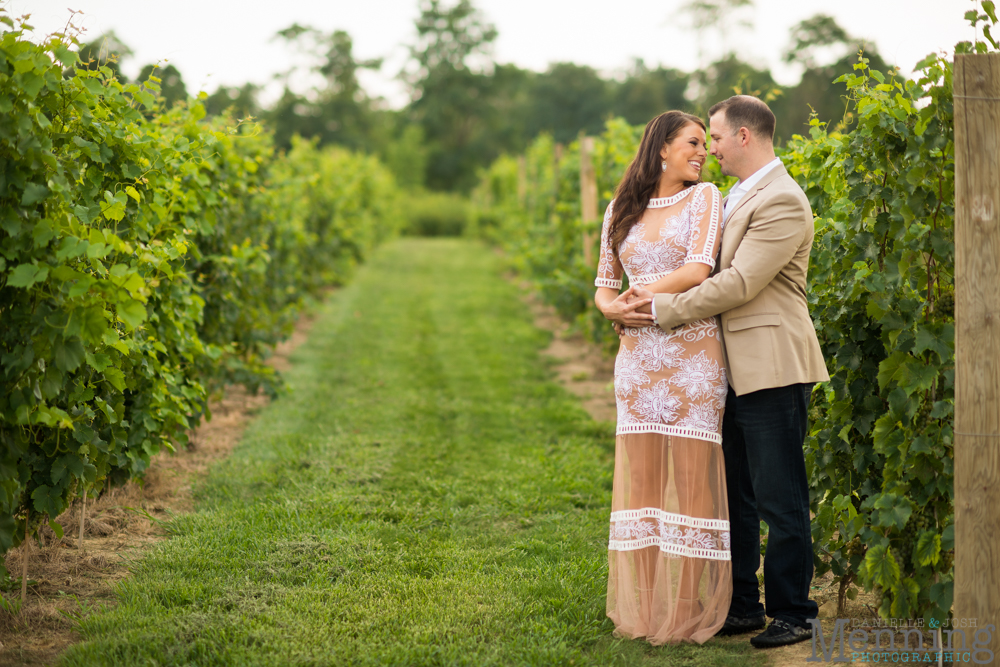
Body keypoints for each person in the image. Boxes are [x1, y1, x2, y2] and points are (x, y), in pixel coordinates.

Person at [630, 95, 830, 648]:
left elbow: (740, 283)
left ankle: (795, 612)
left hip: (770, 365)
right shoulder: (729, 196)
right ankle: (743, 604)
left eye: (714, 137)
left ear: (744, 136)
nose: (709, 148)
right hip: (727, 369)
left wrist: (658, 309)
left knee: (779, 493)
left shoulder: (783, 199)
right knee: (734, 492)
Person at [594, 110, 731, 645]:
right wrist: (613, 310)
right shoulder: (618, 209)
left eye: (704, 143)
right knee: (643, 483)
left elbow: (699, 270)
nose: (702, 152)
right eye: (692, 143)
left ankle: (684, 610)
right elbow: (604, 285)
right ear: (661, 150)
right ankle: (644, 608)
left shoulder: (705, 199)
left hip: (692, 357)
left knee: (693, 482)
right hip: (636, 360)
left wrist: (639, 296)